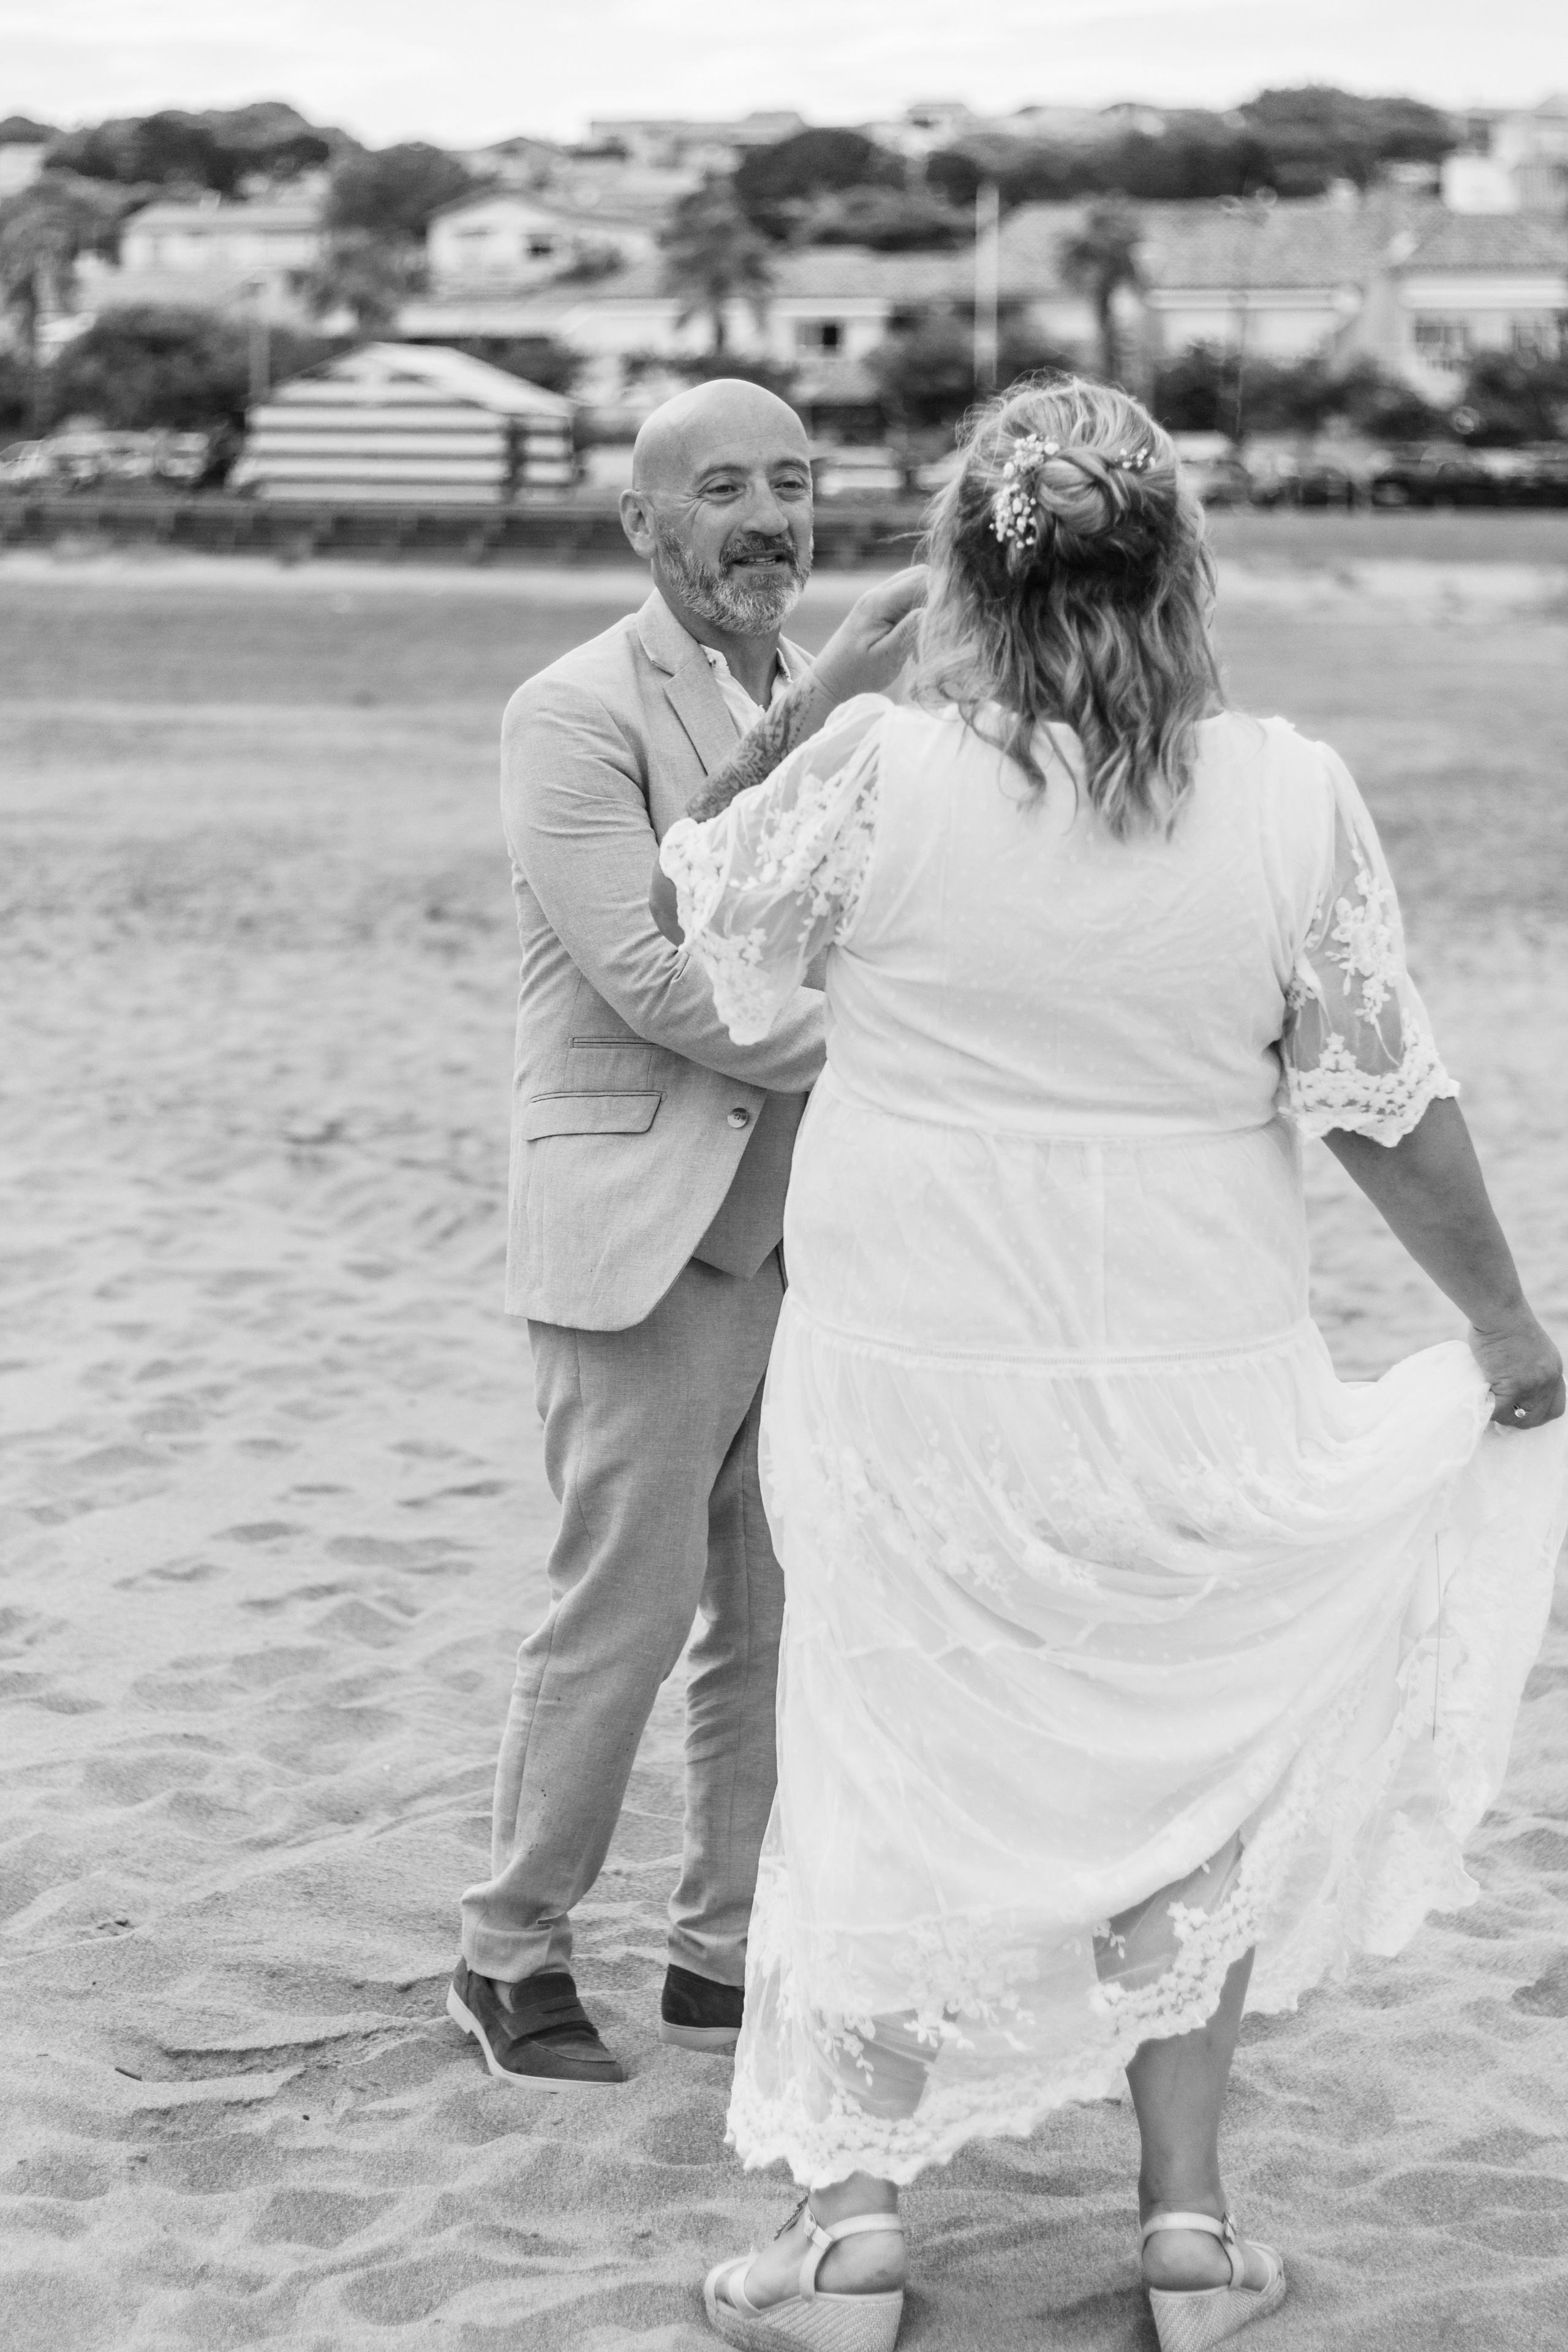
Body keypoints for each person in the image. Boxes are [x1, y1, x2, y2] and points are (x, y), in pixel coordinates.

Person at [650, 377, 1568, 2349]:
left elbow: (692, 898)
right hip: (1190, 1356)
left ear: (962, 574)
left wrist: (825, 695)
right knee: (1185, 1764)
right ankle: (1186, 2237)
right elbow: (1384, 1102)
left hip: (913, 1371)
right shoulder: (1288, 794)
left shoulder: (878, 773)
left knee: (884, 1750)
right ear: (1180, 571)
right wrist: (1503, 1326)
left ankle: (852, 2241)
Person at [447, 378, 924, 2089]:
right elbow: (655, 973)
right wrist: (912, 1057)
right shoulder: (572, 711)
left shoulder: (845, 707)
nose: (769, 518)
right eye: (722, 488)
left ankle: (722, 1957)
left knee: (780, 1615)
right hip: (643, 1230)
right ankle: (508, 1954)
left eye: (792, 482)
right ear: (642, 524)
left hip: (813, 1235)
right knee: (624, 1614)